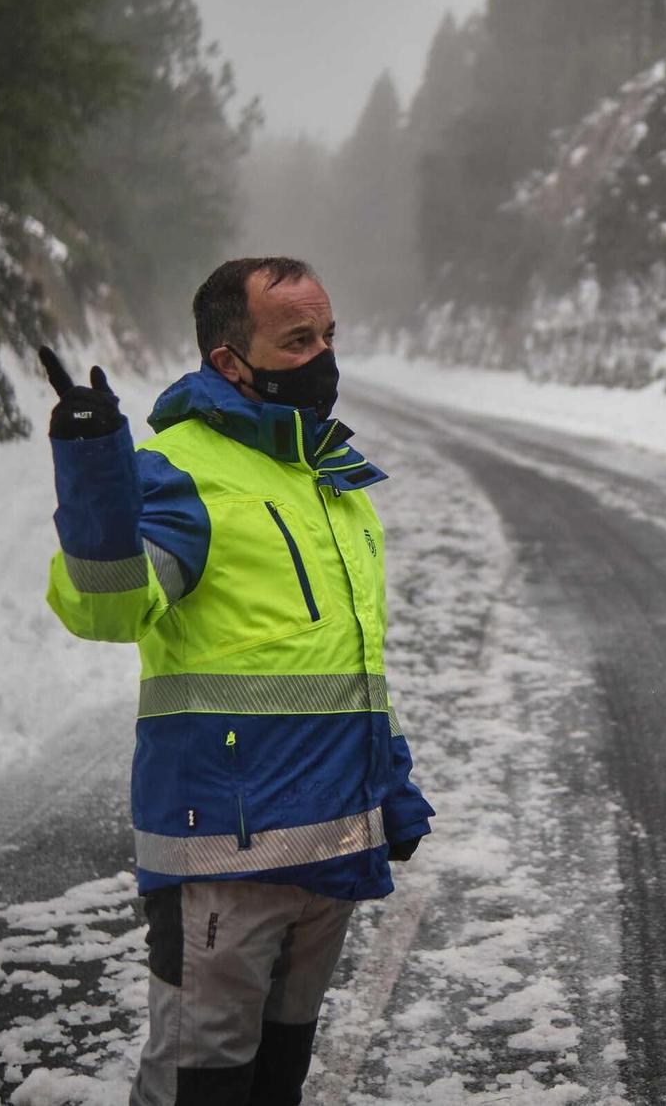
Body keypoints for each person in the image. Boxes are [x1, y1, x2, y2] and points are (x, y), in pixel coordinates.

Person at [40, 256, 433, 1106]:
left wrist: (389, 785)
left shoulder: (327, 478)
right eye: (298, 339)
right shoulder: (183, 471)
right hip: (226, 853)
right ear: (230, 361)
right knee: (201, 1089)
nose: (323, 355)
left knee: (277, 1080)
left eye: (328, 335)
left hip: (331, 851)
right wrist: (94, 476)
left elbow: (350, 665)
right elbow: (110, 607)